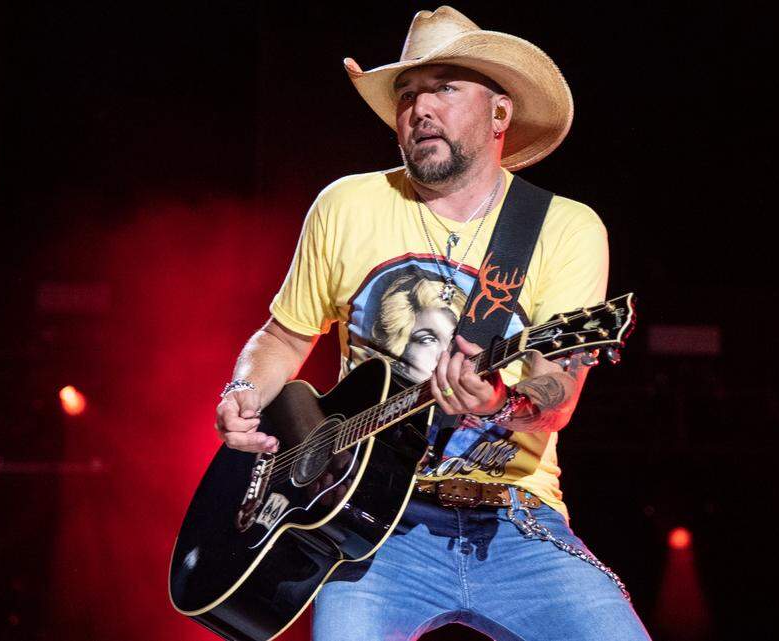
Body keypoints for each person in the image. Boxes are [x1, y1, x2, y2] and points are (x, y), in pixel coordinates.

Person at [215, 7, 651, 640]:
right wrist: (243, 390)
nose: (420, 108)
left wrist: (499, 402)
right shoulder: (347, 205)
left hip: (517, 520)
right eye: (408, 95)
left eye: (445, 87)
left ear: (501, 113)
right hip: (370, 531)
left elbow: (555, 398)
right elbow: (283, 336)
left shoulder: (566, 228)